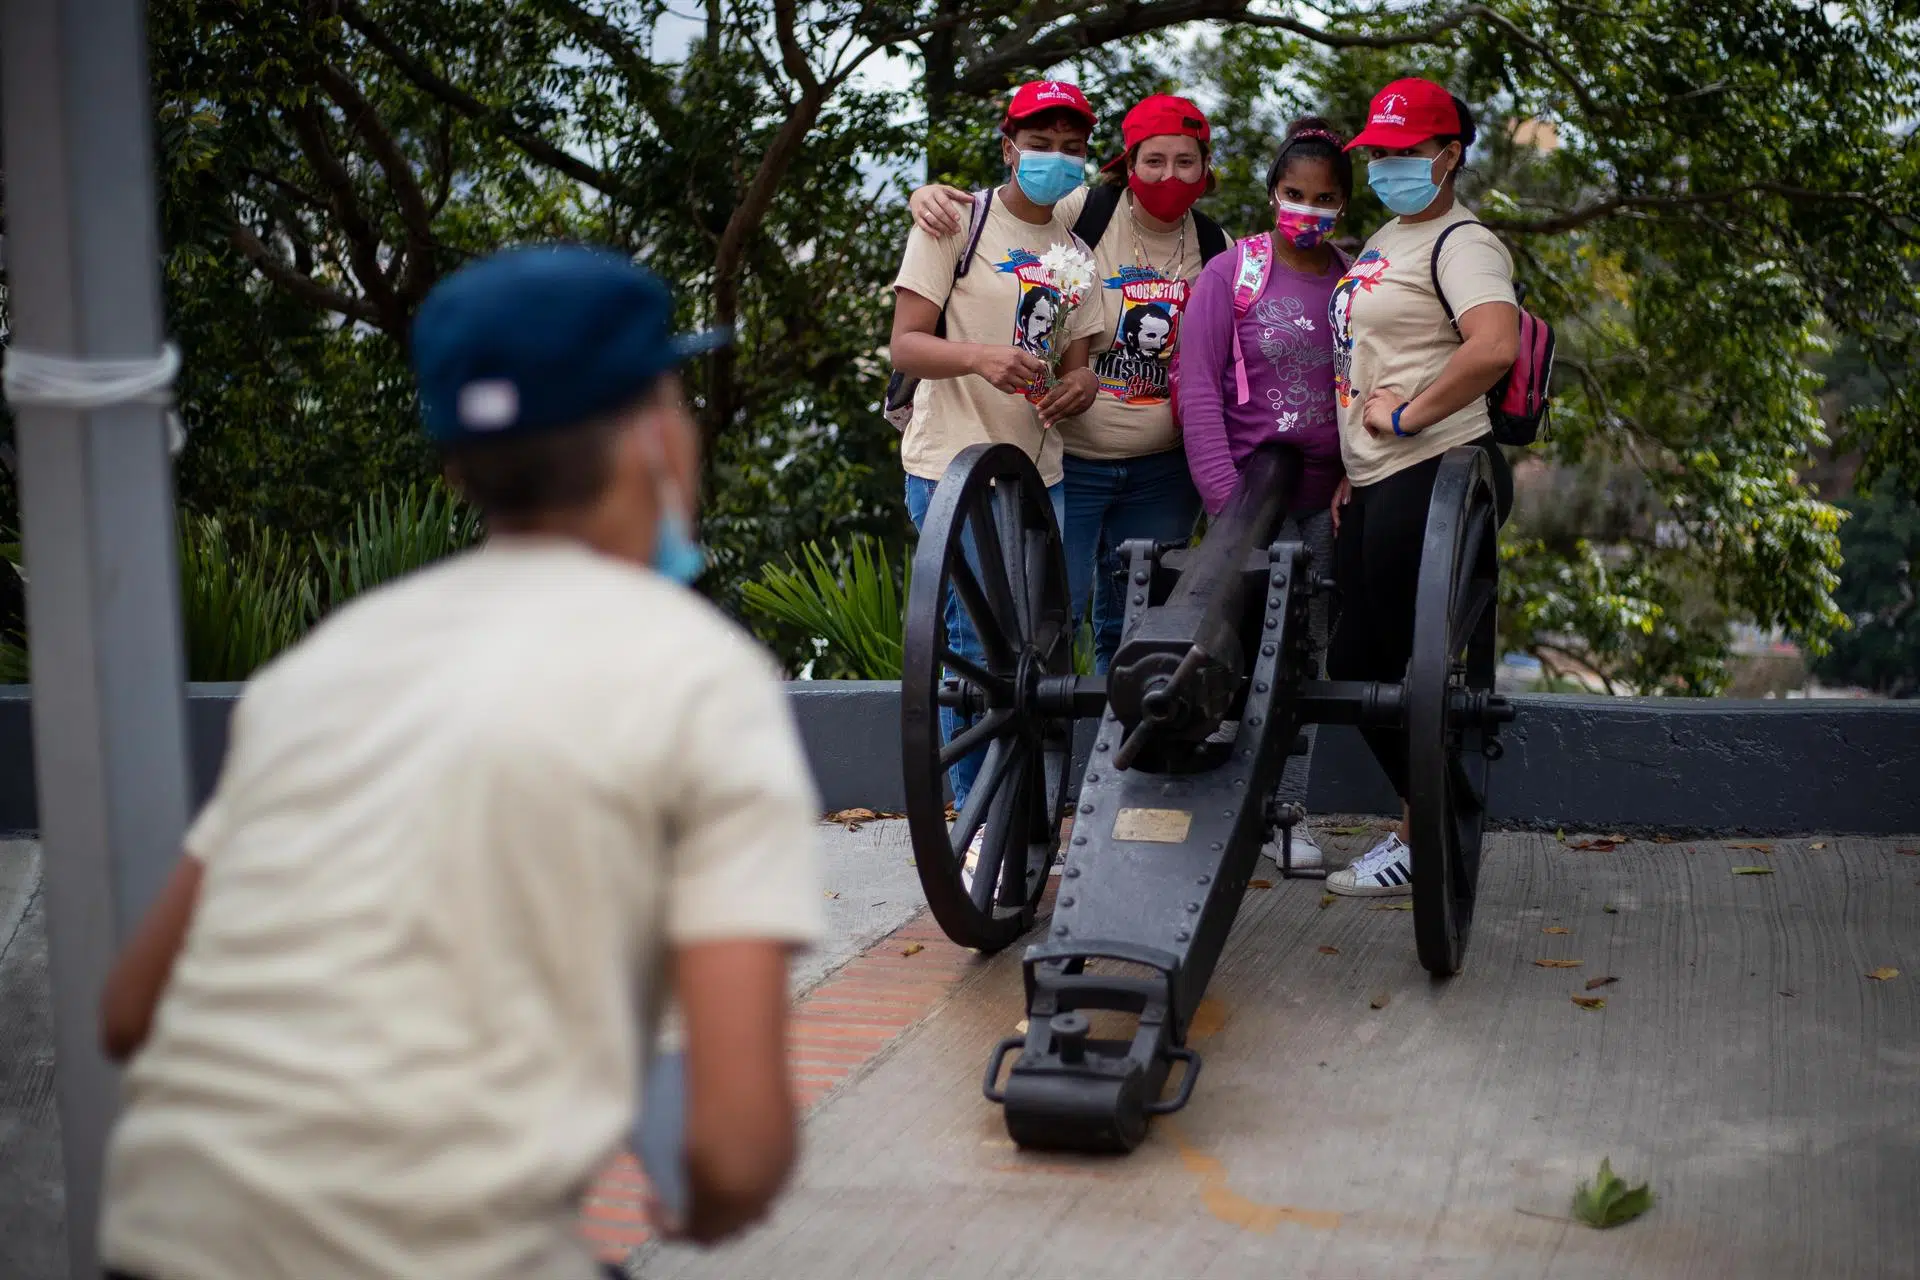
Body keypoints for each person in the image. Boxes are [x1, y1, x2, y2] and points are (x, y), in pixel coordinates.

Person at [96, 245, 826, 1279]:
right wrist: (705, 1198)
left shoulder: (327, 662)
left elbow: (131, 1010)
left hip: (160, 1251)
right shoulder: (700, 677)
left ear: (456, 465)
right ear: (654, 436)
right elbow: (738, 1150)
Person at [911, 94, 1234, 674]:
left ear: (1206, 168)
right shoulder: (1082, 210)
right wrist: (927, 195)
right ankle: (1054, 750)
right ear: (1126, 163)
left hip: (1162, 471)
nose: (1169, 174)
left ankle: (1125, 753)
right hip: (1069, 460)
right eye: (1153, 160)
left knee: (1140, 628)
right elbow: (1008, 218)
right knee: (1046, 623)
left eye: (1186, 161)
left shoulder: (1218, 248)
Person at [1323, 78, 1520, 896]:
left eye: (1405, 153)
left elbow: (1493, 346)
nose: (1386, 165)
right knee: (1353, 657)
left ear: (1448, 156)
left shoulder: (1465, 242)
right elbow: (1371, 357)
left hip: (1431, 470)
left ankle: (1418, 832)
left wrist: (1409, 417)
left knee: (1389, 661)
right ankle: (1421, 815)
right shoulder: (1391, 233)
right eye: (1378, 152)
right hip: (1376, 478)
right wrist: (1350, 463)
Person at [891, 78, 1108, 818]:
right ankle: (975, 814)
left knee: (1037, 648)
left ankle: (1022, 803)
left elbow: (1078, 367)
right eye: (1040, 145)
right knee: (972, 644)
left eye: (1071, 149)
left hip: (1037, 471)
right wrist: (980, 356)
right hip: (952, 461)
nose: (1055, 158)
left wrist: (1077, 388)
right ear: (1009, 146)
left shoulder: (1078, 253)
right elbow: (907, 345)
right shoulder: (955, 224)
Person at [1177, 117, 1354, 872]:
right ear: (1272, 191)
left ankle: (1288, 813)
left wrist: (1355, 472)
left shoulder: (1350, 279)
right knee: (1231, 651)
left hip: (1322, 499)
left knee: (1303, 658)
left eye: (1322, 199)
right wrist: (1225, 505)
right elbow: (1195, 387)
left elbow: (1366, 384)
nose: (1306, 210)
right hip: (1244, 500)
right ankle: (1221, 814)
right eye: (1293, 194)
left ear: (1341, 205)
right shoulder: (1232, 274)